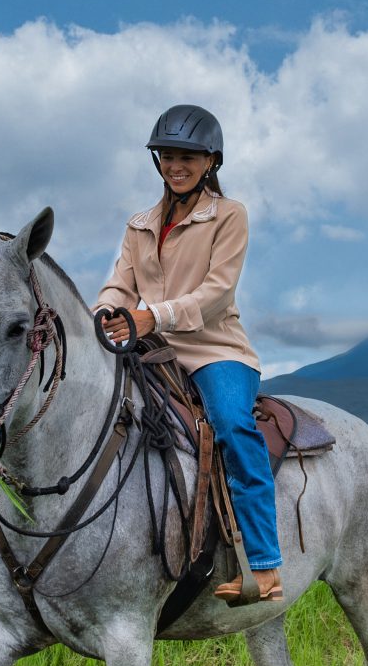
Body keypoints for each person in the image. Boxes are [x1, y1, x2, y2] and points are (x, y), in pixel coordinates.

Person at [94, 104, 286, 605]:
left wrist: (149, 317)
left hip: (213, 348)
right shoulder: (139, 226)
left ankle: (264, 566)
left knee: (232, 426)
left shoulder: (229, 216)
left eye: (188, 157)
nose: (175, 166)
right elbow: (119, 285)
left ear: (210, 162)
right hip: (149, 348)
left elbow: (216, 294)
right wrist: (104, 314)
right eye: (167, 156)